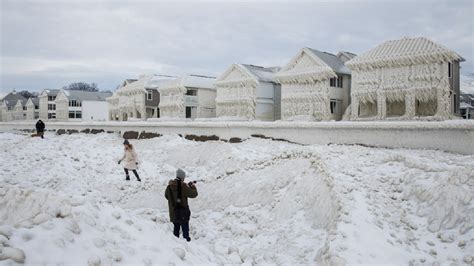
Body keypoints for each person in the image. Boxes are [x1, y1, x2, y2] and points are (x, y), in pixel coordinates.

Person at [165, 168, 198, 242]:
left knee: (176, 230)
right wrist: (192, 186)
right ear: (182, 177)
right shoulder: (183, 186)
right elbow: (194, 194)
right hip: (183, 213)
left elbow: (166, 196)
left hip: (174, 212)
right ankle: (187, 245)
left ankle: (175, 244)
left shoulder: (169, 186)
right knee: (185, 231)